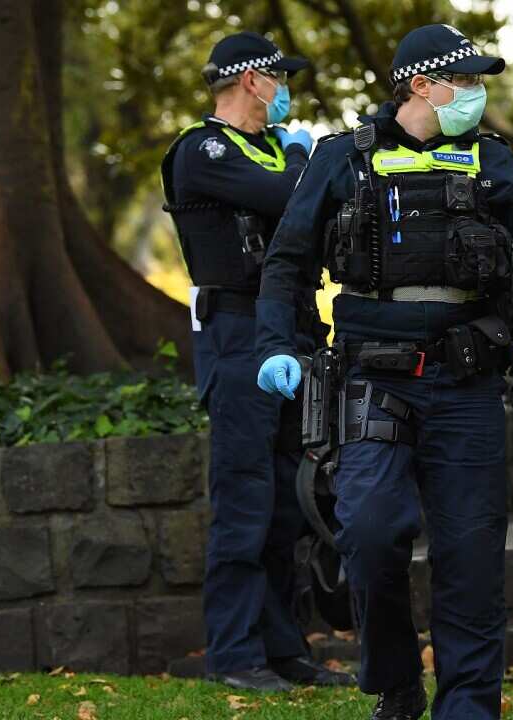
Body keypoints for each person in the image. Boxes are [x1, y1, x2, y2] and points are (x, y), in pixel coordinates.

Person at [253, 24, 513, 720]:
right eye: (468, 81)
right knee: (369, 530)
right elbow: (287, 263)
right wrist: (278, 344)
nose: (479, 95)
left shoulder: (492, 162)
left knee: (471, 559)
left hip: (466, 385)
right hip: (373, 378)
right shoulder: (341, 159)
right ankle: (395, 679)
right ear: (422, 85)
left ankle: (468, 708)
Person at [160, 31, 350, 693]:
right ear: (252, 82)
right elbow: (293, 198)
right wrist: (302, 159)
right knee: (244, 501)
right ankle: (235, 654)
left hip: (291, 332)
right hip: (237, 335)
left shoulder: (274, 151)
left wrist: (297, 162)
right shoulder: (203, 149)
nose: (286, 90)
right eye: (280, 77)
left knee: (289, 505)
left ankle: (285, 649)